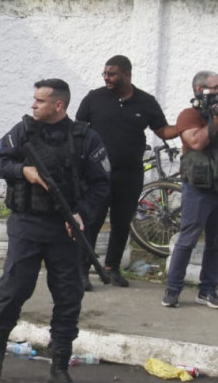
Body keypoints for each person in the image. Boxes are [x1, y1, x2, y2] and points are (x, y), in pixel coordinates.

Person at [0, 79, 110, 383]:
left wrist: (81, 213)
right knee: (14, 289)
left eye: (40, 100)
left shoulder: (85, 138)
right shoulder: (23, 131)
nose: (33, 105)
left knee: (69, 298)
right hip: (27, 224)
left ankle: (59, 368)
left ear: (59, 105)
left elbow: (101, 184)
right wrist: (22, 172)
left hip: (65, 230)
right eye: (33, 99)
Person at [75, 55, 177, 290]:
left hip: (130, 175)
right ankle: (81, 271)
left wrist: (185, 126)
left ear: (127, 74)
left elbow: (162, 129)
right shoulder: (94, 98)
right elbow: (78, 130)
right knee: (92, 221)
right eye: (105, 74)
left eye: (111, 74)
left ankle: (112, 268)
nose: (106, 78)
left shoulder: (146, 102)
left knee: (122, 223)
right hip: (97, 176)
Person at [161, 71, 218, 309]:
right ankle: (172, 290)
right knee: (188, 240)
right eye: (215, 88)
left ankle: (207, 290)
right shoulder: (190, 115)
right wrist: (215, 119)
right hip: (198, 188)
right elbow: (196, 142)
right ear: (199, 90)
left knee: (216, 243)